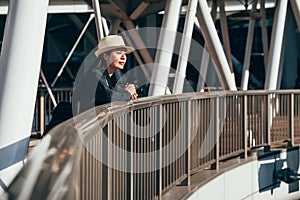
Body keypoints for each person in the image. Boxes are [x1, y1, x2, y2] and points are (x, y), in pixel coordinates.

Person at [75, 35, 138, 113]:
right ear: (106, 56)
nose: (123, 57)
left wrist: (130, 93)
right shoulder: (95, 75)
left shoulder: (114, 75)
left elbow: (118, 94)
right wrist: (128, 93)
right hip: (89, 122)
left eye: (124, 54)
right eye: (118, 53)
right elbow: (109, 98)